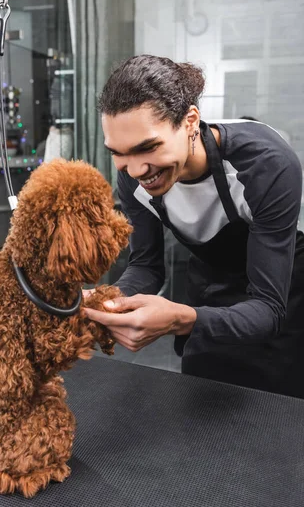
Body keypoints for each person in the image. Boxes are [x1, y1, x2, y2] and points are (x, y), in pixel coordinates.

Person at [83, 54, 304, 398]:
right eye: (119, 153)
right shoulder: (132, 175)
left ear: (190, 122)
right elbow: (146, 265)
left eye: (149, 147)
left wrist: (179, 319)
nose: (136, 169)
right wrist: (106, 300)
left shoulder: (266, 164)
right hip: (210, 289)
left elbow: (268, 309)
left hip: (281, 293)